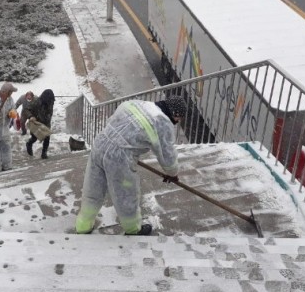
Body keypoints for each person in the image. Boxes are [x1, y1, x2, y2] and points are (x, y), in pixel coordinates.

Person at [74, 96, 187, 236]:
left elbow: (116, 123)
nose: (178, 122)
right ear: (175, 113)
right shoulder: (163, 123)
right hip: (119, 159)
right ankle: (133, 229)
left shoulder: (135, 103)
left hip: (100, 145)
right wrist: (172, 173)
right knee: (126, 196)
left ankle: (83, 226)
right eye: (179, 118)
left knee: (93, 190)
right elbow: (167, 154)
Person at [25, 89, 55, 159]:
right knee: (34, 138)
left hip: (46, 124)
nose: (50, 100)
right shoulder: (37, 101)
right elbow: (26, 110)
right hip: (37, 123)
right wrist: (31, 116)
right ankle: (29, 144)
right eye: (49, 98)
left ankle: (44, 153)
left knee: (47, 138)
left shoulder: (51, 102)